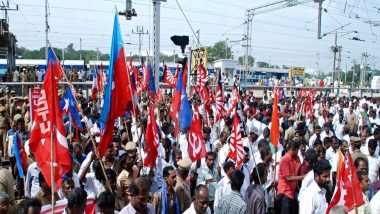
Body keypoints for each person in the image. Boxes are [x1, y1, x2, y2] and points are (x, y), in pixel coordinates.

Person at [275, 141, 304, 214]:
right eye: (297, 150)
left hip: (291, 194)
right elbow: (288, 178)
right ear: (293, 149)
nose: (297, 153)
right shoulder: (285, 159)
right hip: (284, 194)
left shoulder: (291, 159)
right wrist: (303, 177)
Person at [116, 142, 139, 207]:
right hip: (130, 206)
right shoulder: (121, 178)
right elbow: (119, 197)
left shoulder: (135, 169)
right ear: (125, 164)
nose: (132, 159)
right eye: (129, 159)